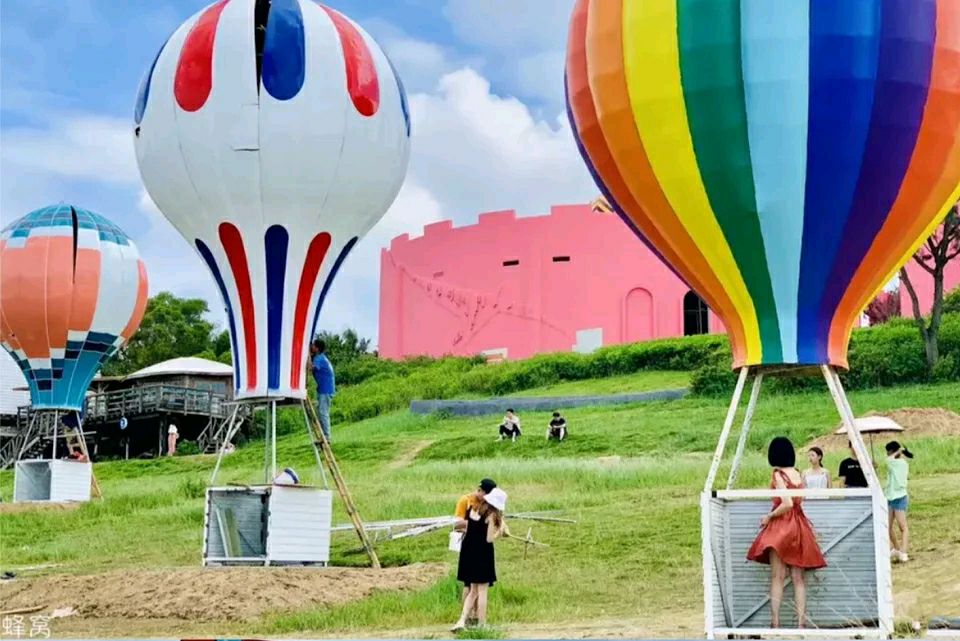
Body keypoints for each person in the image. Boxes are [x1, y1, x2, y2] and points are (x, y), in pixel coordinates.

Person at [747, 437, 827, 628]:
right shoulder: (798, 474)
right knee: (798, 578)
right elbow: (798, 500)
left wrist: (770, 516)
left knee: (778, 576)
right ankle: (801, 623)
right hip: (799, 525)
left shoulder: (778, 474)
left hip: (782, 526)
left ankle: (775, 622)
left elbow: (787, 502)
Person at [452, 487, 509, 632]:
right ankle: (482, 624)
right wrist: (500, 533)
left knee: (473, 591)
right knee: (483, 591)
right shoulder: (492, 515)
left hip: (471, 553)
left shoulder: (475, 509)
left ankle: (461, 620)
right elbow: (489, 539)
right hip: (484, 555)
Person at [453, 478, 497, 626]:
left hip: (473, 547)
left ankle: (467, 619)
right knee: (473, 587)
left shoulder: (485, 507)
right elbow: (457, 523)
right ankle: (478, 622)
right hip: (475, 548)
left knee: (474, 589)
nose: (478, 493)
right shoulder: (468, 502)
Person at [885, 441, 913, 563]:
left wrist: (899, 451)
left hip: (900, 496)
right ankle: (896, 548)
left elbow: (888, 460)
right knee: (887, 526)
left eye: (888, 451)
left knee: (903, 526)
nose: (887, 454)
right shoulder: (894, 462)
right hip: (890, 497)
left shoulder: (901, 463)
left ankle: (903, 551)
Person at [310, 339, 336, 443]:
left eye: (313, 346)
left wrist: (306, 357)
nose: (311, 347)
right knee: (320, 412)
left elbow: (309, 368)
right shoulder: (321, 358)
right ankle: (323, 436)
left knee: (323, 412)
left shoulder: (318, 358)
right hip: (325, 389)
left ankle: (327, 437)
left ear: (317, 348)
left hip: (325, 389)